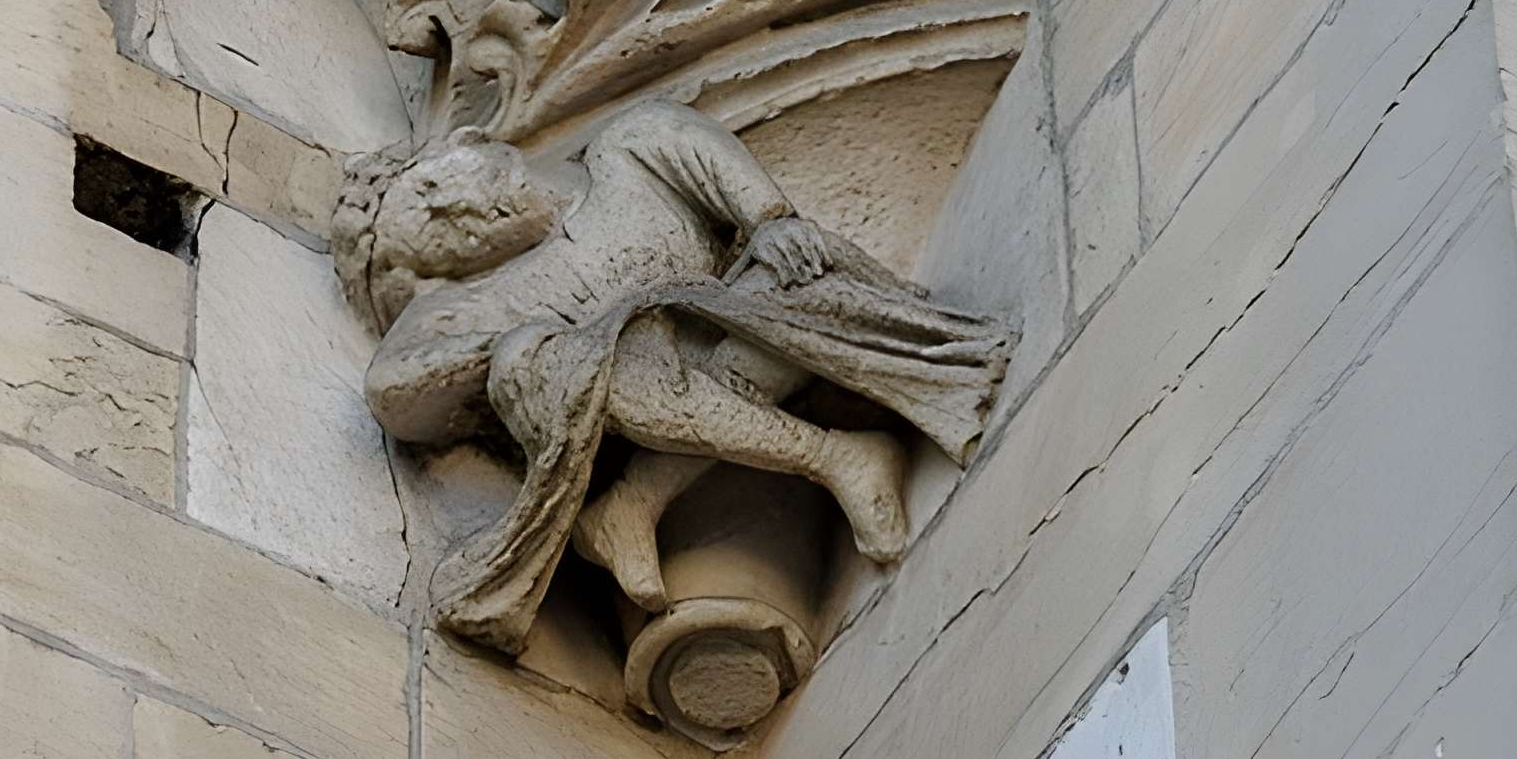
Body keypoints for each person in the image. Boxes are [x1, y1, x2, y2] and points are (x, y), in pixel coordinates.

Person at [333, 101, 1013, 654]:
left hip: (743, 322)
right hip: (637, 383)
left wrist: (768, 219)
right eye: (421, 233)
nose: (449, 212)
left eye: (428, 186)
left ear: (472, 139)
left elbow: (713, 165)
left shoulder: (625, 151)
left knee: (803, 269)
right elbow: (394, 387)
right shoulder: (490, 301)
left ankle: (637, 502)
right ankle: (833, 457)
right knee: (585, 359)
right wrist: (513, 346)